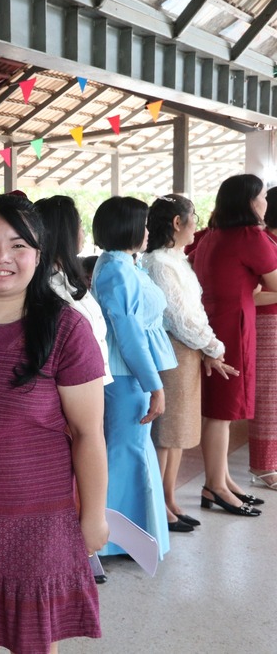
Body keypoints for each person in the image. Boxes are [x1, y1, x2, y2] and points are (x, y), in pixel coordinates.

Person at [0, 193, 108, 654]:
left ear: (39, 255)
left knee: (35, 641)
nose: (2, 258)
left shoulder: (66, 330)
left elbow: (88, 434)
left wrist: (93, 515)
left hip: (40, 520)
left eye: (18, 246)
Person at [143, 195, 237, 531]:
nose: (196, 224)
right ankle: (158, 505)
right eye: (193, 217)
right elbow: (178, 316)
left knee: (178, 431)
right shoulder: (158, 262)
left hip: (188, 349)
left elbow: (194, 311)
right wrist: (213, 345)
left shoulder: (176, 259)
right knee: (167, 432)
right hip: (173, 348)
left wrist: (209, 346)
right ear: (177, 223)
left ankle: (169, 499)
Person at [91, 196, 177, 556]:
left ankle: (128, 539)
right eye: (142, 225)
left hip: (130, 373)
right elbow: (128, 333)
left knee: (131, 452)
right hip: (126, 375)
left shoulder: (123, 263)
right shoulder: (116, 268)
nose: (147, 231)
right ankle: (110, 542)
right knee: (125, 454)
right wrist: (153, 384)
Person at [191, 174, 277, 515]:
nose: (266, 203)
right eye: (262, 197)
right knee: (222, 413)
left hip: (216, 324)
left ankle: (223, 481)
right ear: (250, 202)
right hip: (234, 328)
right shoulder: (249, 236)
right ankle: (215, 486)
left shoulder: (213, 235)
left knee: (219, 410)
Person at [33, 195, 112, 385]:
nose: (83, 232)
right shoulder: (48, 287)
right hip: (73, 386)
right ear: (65, 233)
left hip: (91, 382)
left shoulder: (68, 279)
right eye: (80, 226)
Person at [249, 187, 277, 490]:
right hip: (268, 324)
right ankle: (263, 465)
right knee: (269, 395)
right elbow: (251, 296)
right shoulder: (262, 242)